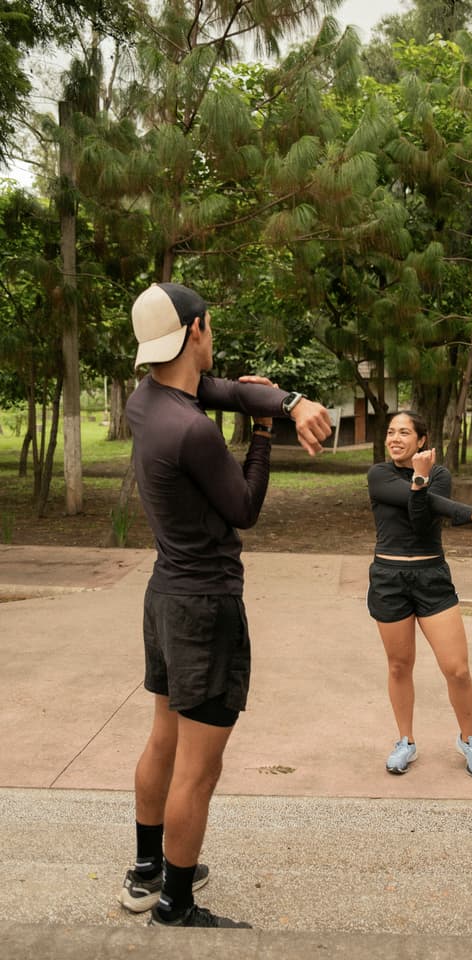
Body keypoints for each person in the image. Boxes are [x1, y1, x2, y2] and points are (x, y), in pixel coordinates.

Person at [119, 281, 332, 928]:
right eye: (210, 325)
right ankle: (176, 905)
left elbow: (225, 390)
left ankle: (146, 871)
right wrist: (265, 431)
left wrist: (290, 400)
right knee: (198, 769)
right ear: (196, 331)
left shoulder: (146, 401)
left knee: (163, 739)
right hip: (206, 607)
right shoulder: (192, 432)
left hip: (165, 596)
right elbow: (243, 508)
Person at [367, 411, 472, 778]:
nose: (395, 438)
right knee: (399, 665)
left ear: (421, 440)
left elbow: (421, 519)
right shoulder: (378, 475)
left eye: (404, 432)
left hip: (431, 577)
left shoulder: (441, 475)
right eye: (391, 432)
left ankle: (469, 739)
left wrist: (422, 480)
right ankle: (406, 741)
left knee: (457, 669)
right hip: (389, 579)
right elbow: (420, 502)